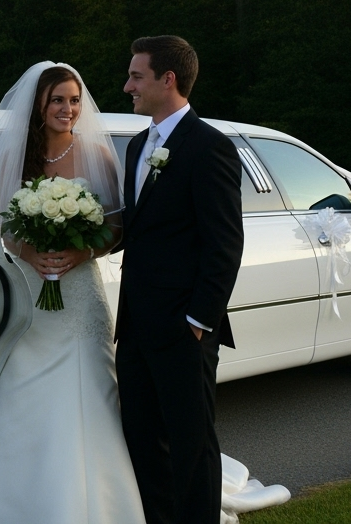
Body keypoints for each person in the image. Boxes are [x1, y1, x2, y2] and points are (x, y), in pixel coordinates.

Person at [0, 62, 147, 523]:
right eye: (58, 100)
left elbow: (116, 227)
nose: (68, 109)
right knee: (18, 390)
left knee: (90, 388)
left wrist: (82, 254)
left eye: (74, 100)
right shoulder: (15, 156)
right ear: (39, 104)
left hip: (79, 294)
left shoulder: (99, 152)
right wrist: (30, 252)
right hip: (29, 291)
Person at [116, 35, 243, 524]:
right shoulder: (135, 147)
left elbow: (224, 244)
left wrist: (198, 321)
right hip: (135, 328)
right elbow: (140, 225)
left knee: (193, 446)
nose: (128, 85)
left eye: (136, 76)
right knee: (143, 442)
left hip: (183, 329)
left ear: (167, 80)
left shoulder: (209, 147)